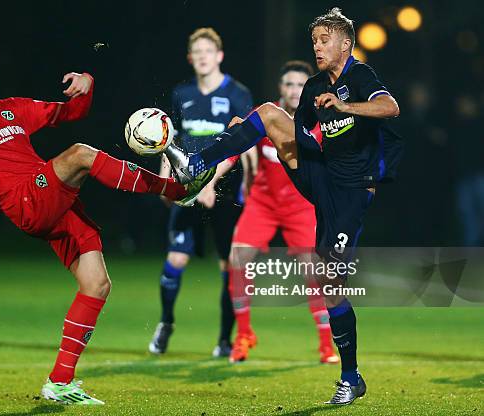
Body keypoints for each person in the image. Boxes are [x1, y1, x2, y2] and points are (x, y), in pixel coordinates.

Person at [0, 41, 214, 406]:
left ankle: (59, 382)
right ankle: (174, 189)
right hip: (27, 200)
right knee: (79, 154)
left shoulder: (12, 109)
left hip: (53, 203)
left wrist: (86, 83)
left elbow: (71, 112)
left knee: (97, 285)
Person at [165, 8, 402, 405]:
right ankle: (196, 164)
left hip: (350, 191)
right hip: (319, 175)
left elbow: (390, 107)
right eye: (314, 41)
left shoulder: (360, 77)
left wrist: (346, 108)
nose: (318, 47)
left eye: (325, 40)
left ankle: (350, 376)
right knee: (268, 114)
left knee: (329, 285)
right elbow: (298, 130)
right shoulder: (312, 87)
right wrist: (251, 130)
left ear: (346, 44)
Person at [149, 28, 253, 357]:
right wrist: (166, 177)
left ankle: (224, 339)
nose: (204, 56)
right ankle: (166, 323)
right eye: (198, 51)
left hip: (224, 192)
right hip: (187, 187)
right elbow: (171, 139)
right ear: (190, 58)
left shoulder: (237, 94)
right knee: (175, 258)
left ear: (219, 56)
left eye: (209, 50)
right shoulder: (183, 93)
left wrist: (209, 184)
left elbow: (242, 143)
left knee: (228, 265)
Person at [226, 61, 338, 365]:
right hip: (264, 201)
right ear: (280, 88)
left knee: (314, 271)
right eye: (288, 84)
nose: (293, 89)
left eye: (300, 84)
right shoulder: (267, 115)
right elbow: (236, 145)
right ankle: (244, 334)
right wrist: (213, 178)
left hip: (301, 205)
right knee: (238, 259)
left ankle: (327, 344)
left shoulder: (320, 122)